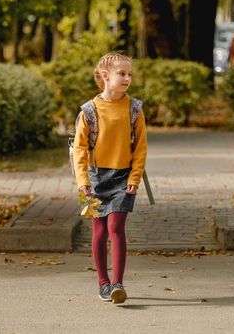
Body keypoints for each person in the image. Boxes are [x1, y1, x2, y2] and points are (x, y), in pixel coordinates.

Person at [72, 51, 147, 304]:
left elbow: (141, 149)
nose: (127, 78)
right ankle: (103, 283)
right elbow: (80, 150)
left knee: (116, 227)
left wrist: (135, 177)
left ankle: (118, 284)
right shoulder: (89, 111)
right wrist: (82, 182)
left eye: (129, 74)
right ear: (105, 76)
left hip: (123, 178)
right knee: (100, 231)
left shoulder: (135, 109)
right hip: (94, 179)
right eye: (121, 73)